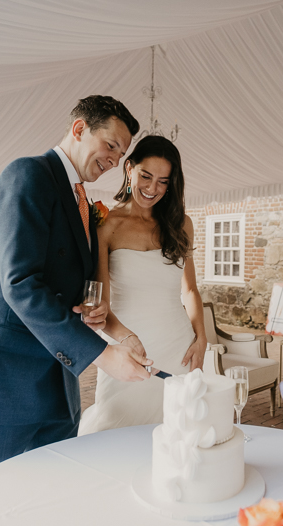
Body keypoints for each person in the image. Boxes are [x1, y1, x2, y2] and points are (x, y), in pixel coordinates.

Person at [0, 95, 152, 485]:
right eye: (110, 145)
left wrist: (99, 316)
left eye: (121, 153)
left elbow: (66, 277)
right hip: (2, 378)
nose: (113, 159)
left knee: (49, 499)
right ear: (78, 129)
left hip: (56, 382)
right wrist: (104, 355)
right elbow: (20, 283)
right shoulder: (27, 175)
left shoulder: (83, 200)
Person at [78, 135, 207, 435]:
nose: (152, 189)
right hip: (128, 351)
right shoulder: (106, 224)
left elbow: (189, 291)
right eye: (146, 176)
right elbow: (101, 305)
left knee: (182, 437)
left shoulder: (181, 224)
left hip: (181, 348)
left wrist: (202, 339)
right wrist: (126, 338)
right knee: (116, 434)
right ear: (129, 169)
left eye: (163, 181)